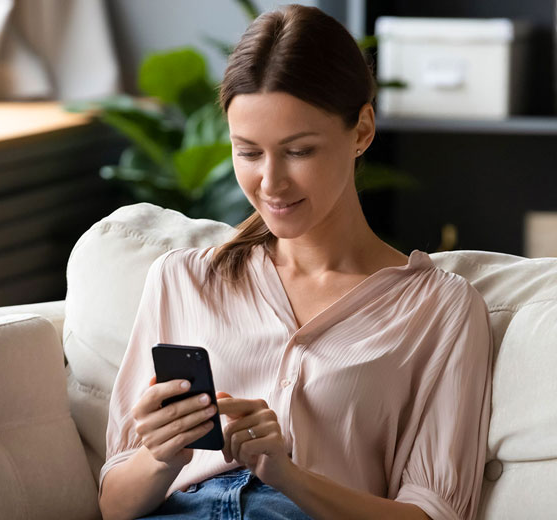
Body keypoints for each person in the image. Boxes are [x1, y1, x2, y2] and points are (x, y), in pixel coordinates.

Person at [98, 4, 493, 520]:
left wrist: (288, 475)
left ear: (362, 131)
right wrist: (161, 456)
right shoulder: (183, 279)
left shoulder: (439, 308)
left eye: (299, 151)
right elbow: (113, 506)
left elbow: (432, 513)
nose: (271, 183)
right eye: (249, 152)